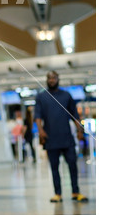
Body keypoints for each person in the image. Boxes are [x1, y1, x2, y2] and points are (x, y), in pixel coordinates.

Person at [35, 71, 88, 203]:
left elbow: (75, 115)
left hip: (67, 138)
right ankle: (57, 194)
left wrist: (79, 130)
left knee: (72, 165)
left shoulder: (66, 95)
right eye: (49, 78)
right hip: (50, 138)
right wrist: (41, 131)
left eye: (53, 78)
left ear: (58, 79)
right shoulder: (41, 97)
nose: (51, 80)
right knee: (54, 167)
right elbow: (37, 116)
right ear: (47, 80)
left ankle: (76, 192)